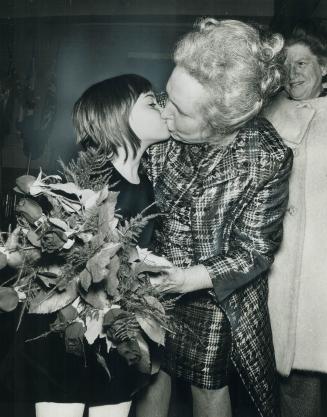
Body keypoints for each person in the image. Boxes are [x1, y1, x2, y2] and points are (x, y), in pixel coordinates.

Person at [136, 18, 293, 417]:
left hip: (213, 291)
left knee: (207, 385)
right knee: (150, 373)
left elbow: (254, 251)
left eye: (181, 111)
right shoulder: (163, 115)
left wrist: (186, 279)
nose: (164, 112)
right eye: (166, 95)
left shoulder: (266, 158)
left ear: (221, 122)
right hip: (149, 274)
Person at [13, 74, 170, 417]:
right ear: (119, 117)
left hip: (117, 337)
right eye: (151, 102)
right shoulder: (88, 184)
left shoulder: (146, 183)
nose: (163, 108)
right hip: (64, 340)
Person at [264, 23, 327, 417]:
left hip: (321, 266)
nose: (294, 72)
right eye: (286, 65)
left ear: (324, 66)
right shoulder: (268, 117)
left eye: (303, 62)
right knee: (284, 372)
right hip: (278, 264)